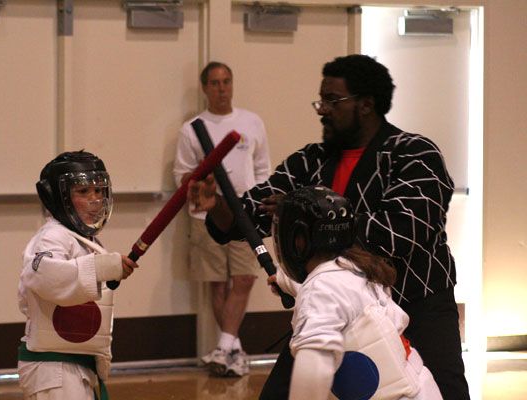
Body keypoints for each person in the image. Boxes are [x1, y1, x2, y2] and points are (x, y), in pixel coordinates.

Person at [189, 54, 470, 399]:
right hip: (330, 308)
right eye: (321, 100)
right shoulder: (311, 162)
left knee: (443, 393)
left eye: (332, 100)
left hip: (417, 305)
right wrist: (217, 203)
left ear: (366, 104)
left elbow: (399, 233)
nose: (322, 108)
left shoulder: (414, 155)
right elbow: (244, 217)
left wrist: (309, 214)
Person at [269, 185, 443, 400]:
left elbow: (313, 366)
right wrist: (282, 279)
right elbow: (323, 292)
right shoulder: (354, 268)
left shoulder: (322, 287)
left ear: (297, 239)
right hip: (423, 390)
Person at [173, 61, 271, 377]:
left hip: (244, 213)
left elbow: (262, 168)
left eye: (227, 81)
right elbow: (181, 176)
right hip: (206, 217)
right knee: (218, 284)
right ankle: (232, 349)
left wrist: (258, 204)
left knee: (244, 278)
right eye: (215, 83)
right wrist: (202, 180)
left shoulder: (251, 122)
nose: (222, 88)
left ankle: (225, 347)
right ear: (205, 88)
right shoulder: (192, 128)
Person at [17, 150, 139, 400]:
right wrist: (104, 268)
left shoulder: (84, 240)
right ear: (60, 198)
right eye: (83, 192)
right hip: (55, 368)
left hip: (74, 364)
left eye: (98, 191)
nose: (94, 199)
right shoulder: (52, 237)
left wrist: (104, 268)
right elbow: (42, 276)